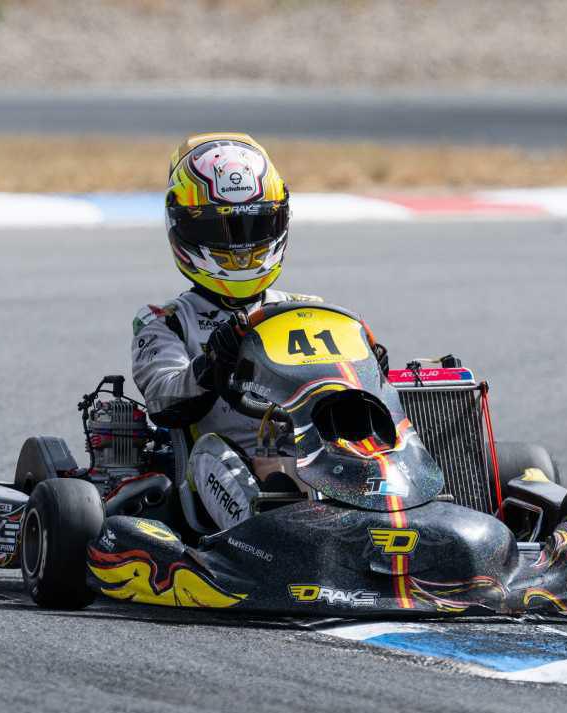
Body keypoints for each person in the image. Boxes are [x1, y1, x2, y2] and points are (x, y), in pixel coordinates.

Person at [130, 132, 387, 531]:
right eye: (222, 231)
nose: (241, 249)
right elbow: (164, 398)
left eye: (257, 226)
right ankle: (269, 532)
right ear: (185, 227)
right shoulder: (166, 320)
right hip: (223, 470)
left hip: (318, 458)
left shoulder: (308, 310)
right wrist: (212, 364)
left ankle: (409, 510)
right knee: (212, 452)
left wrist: (370, 371)